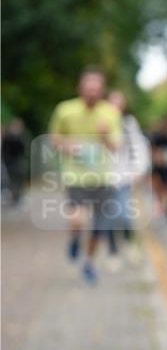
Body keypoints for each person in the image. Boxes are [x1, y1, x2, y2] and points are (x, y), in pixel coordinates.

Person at [48, 66, 122, 285]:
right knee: (77, 219)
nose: (92, 92)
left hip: (102, 177)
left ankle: (89, 264)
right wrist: (67, 145)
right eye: (88, 88)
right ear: (80, 88)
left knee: (98, 227)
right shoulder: (65, 110)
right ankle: (74, 238)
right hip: (76, 175)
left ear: (102, 90)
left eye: (96, 88)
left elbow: (115, 147)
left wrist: (105, 135)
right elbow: (54, 138)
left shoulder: (111, 112)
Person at [105, 90, 150, 268]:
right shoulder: (101, 123)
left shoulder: (129, 124)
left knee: (123, 213)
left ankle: (129, 242)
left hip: (124, 177)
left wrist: (139, 170)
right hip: (103, 178)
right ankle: (113, 251)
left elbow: (139, 148)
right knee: (107, 216)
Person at [1, 118, 28, 206]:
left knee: (18, 179)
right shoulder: (9, 137)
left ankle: (17, 197)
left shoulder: (20, 136)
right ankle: (13, 197)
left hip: (17, 161)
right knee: (11, 180)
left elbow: (22, 149)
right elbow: (5, 149)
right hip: (9, 162)